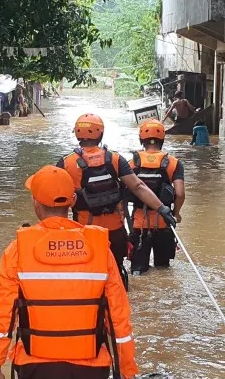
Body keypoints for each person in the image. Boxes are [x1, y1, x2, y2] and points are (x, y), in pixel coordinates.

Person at [0, 165, 139, 379]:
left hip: (35, 368)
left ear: (35, 202)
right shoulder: (100, 249)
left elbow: (5, 316)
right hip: (92, 368)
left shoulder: (17, 250)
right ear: (73, 201)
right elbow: (118, 317)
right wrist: (127, 371)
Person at [57, 113, 176, 287]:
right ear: (101, 134)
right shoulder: (115, 159)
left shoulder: (66, 163)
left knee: (87, 276)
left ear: (77, 133)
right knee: (116, 276)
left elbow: (55, 199)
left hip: (84, 233)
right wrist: (162, 209)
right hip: (115, 233)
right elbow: (138, 187)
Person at [127, 119, 185, 275]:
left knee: (138, 273)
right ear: (162, 139)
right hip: (164, 224)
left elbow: (123, 194)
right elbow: (179, 193)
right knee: (163, 270)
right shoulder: (174, 163)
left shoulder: (131, 163)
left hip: (139, 224)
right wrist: (176, 214)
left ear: (141, 139)